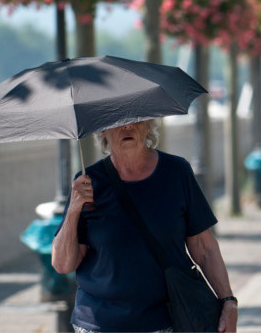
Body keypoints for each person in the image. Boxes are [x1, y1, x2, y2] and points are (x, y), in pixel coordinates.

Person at [52, 120, 237, 332]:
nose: (127, 127)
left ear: (149, 124)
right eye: (117, 121)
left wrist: (228, 302)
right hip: (99, 323)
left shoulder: (176, 172)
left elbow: (205, 248)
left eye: (135, 119)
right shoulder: (87, 183)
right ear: (103, 129)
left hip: (167, 321)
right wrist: (74, 210)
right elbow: (62, 264)